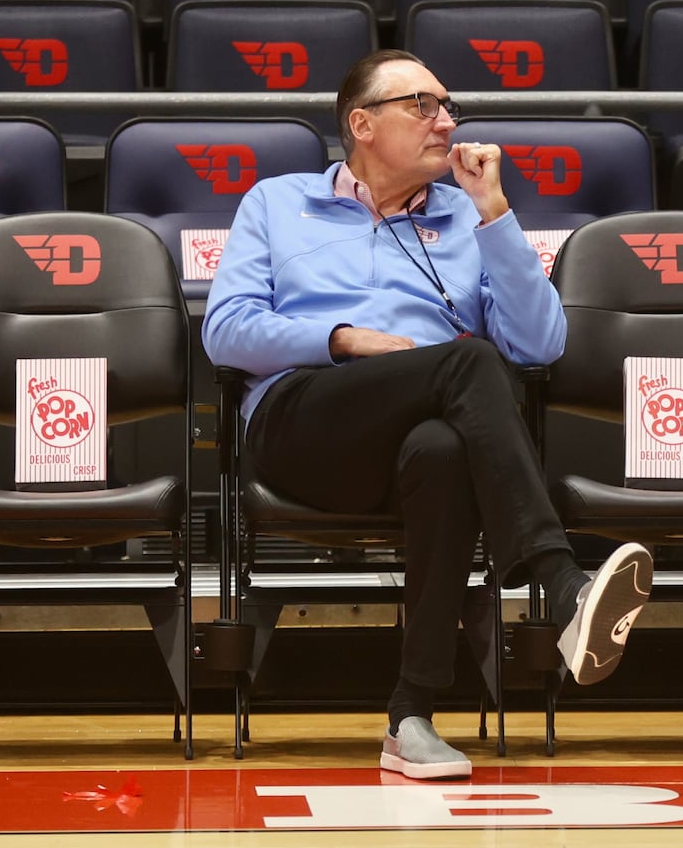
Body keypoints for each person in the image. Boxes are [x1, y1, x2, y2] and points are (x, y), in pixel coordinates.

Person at [202, 50, 654, 780]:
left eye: (448, 106)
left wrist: (496, 215)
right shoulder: (277, 202)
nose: (447, 121)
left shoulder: (466, 215)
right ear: (363, 124)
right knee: (470, 362)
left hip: (414, 435)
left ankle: (410, 716)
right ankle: (561, 582)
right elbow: (224, 330)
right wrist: (341, 339)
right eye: (422, 105)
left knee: (446, 449)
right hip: (302, 421)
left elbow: (541, 344)